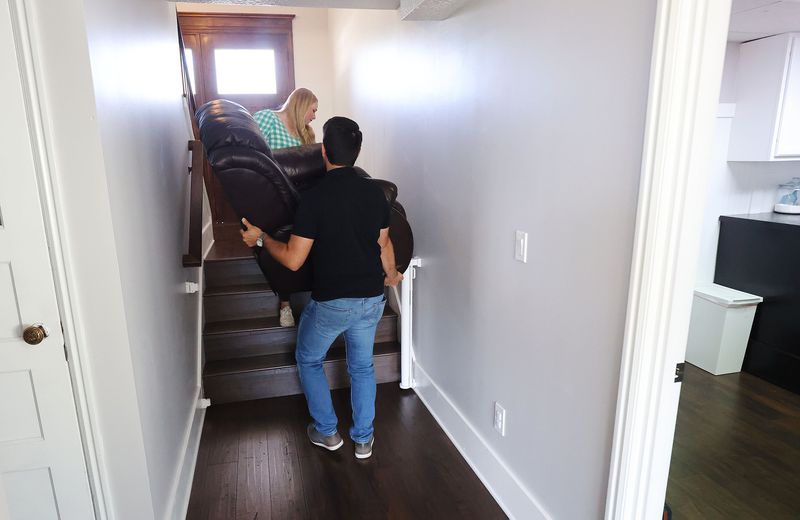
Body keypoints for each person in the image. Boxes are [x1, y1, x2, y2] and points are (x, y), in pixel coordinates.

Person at [241, 116, 403, 460]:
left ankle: (328, 433)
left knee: (308, 358)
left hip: (332, 303)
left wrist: (262, 239)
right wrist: (392, 275)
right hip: (373, 298)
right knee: (361, 367)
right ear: (357, 152)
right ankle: (363, 440)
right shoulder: (376, 195)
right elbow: (384, 244)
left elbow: (293, 260)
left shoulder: (313, 200)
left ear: (324, 152)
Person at [252, 87, 319, 327]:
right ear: (302, 104)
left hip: (301, 199)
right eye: (313, 110)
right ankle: (285, 304)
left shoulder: (308, 134)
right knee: (281, 242)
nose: (314, 117)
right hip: (272, 197)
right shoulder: (267, 119)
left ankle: (316, 297)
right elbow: (254, 156)